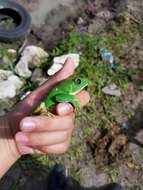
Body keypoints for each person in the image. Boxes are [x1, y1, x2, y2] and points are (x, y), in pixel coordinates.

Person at [0, 58, 123, 190]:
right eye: (77, 82)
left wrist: (10, 143)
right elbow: (58, 97)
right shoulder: (65, 91)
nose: (80, 84)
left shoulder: (68, 90)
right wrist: (10, 142)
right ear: (71, 84)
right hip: (43, 109)